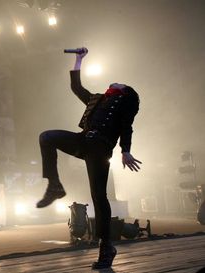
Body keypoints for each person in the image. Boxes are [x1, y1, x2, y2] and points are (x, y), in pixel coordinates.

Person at [37, 47, 142, 269]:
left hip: (99, 149)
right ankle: (55, 186)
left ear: (124, 92)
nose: (114, 83)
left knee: (98, 197)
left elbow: (127, 127)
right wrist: (79, 59)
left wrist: (125, 150)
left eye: (119, 84)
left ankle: (106, 247)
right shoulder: (96, 100)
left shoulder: (124, 104)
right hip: (83, 141)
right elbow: (76, 86)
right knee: (46, 137)